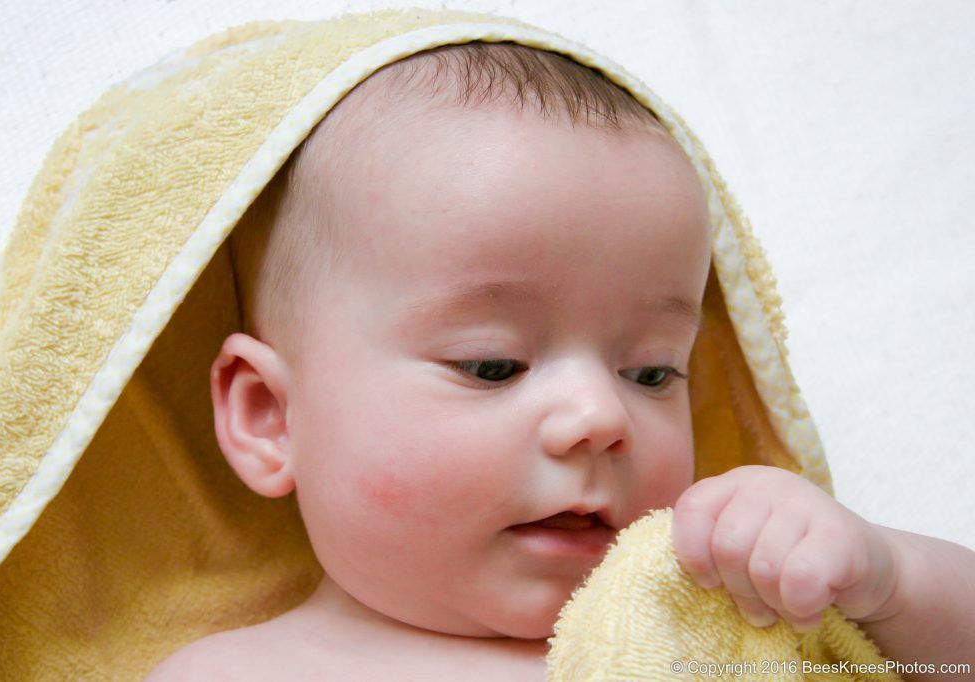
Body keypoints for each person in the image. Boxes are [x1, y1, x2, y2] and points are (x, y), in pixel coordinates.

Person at [147, 41, 975, 680]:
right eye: (493, 365)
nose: (601, 418)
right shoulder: (240, 671)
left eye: (651, 372)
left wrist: (891, 583)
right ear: (270, 419)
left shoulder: (728, 609)